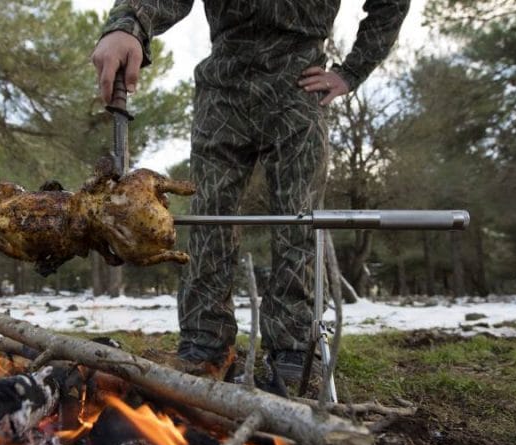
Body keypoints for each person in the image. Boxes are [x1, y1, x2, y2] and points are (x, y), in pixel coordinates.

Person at [92, 0, 409, 386]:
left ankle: (293, 345)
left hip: (298, 86)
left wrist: (353, 71)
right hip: (223, 87)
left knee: (300, 219)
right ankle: (205, 344)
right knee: (210, 217)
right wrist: (128, 25)